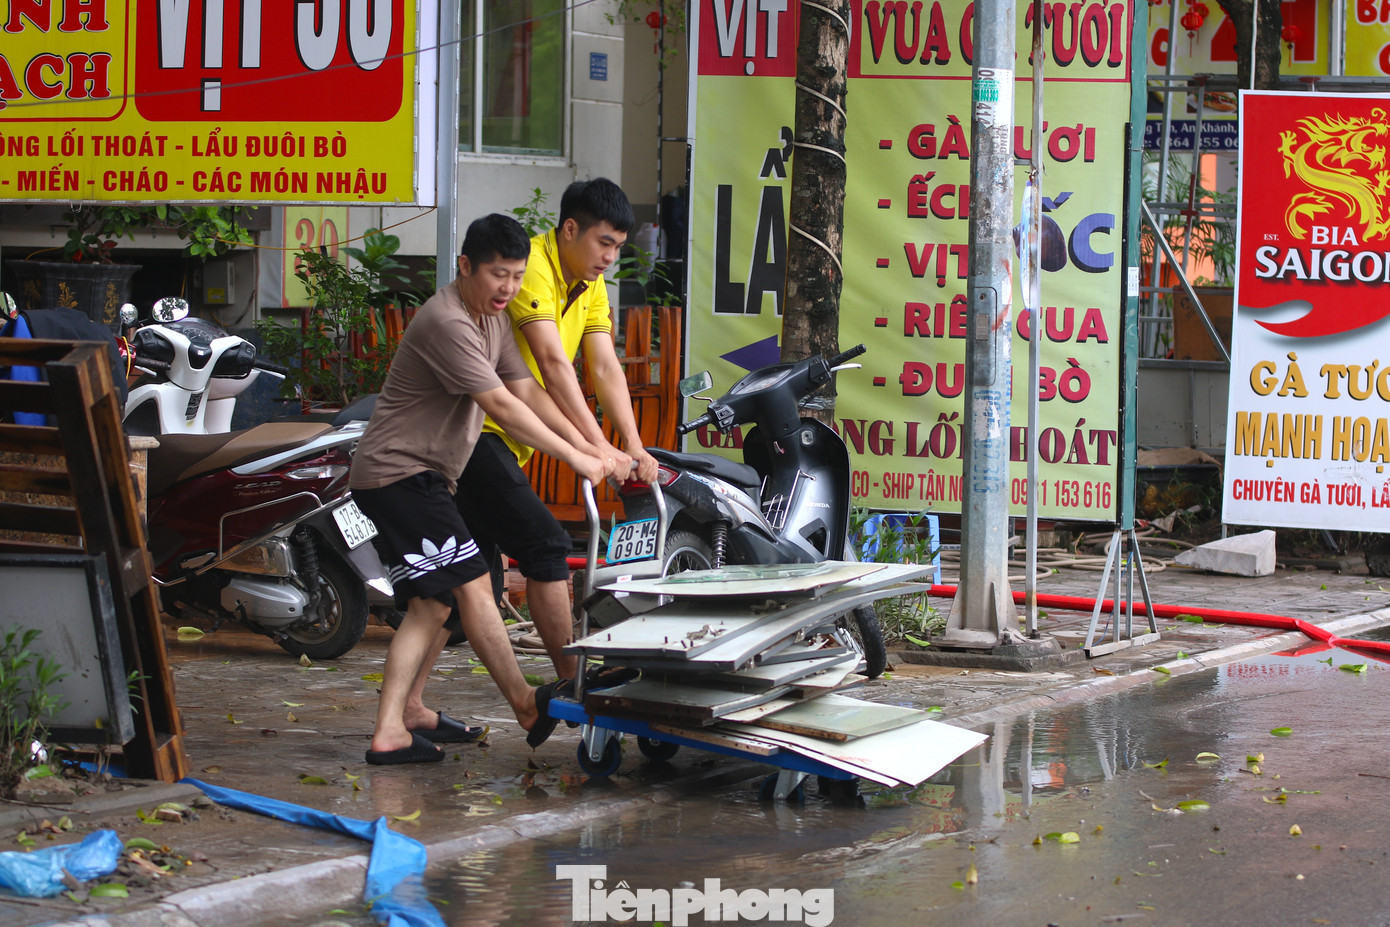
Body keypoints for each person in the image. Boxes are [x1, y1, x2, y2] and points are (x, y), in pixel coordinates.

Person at [349, 214, 613, 765]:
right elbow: (501, 408)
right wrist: (576, 458)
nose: (509, 289)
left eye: (517, 276)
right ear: (465, 266)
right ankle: (524, 703)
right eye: (498, 275)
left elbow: (530, 393)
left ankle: (399, 723)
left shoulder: (494, 321)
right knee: (472, 586)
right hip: (400, 476)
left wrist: (590, 449)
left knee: (433, 604)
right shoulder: (448, 322)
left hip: (423, 477)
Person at [457, 180, 661, 657]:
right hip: (476, 431)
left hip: (514, 436)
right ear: (570, 229)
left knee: (453, 594)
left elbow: (605, 366)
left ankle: (424, 710)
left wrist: (631, 444)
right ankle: (572, 678)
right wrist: (599, 449)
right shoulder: (532, 269)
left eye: (618, 247)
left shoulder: (589, 285)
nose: (610, 257)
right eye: (603, 243)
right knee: (547, 547)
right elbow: (551, 365)